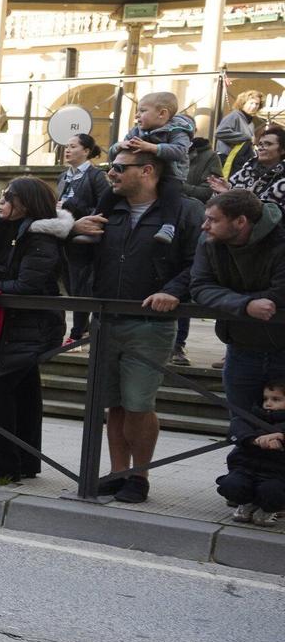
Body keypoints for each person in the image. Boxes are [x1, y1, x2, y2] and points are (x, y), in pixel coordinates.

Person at [50, 148, 198, 503]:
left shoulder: (184, 210)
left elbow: (198, 264)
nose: (111, 174)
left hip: (151, 324)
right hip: (106, 320)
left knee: (138, 404)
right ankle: (119, 473)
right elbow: (80, 262)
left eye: (118, 168)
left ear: (147, 171)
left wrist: (172, 292)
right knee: (112, 404)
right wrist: (74, 232)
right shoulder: (108, 208)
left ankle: (140, 477)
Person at [0, 178, 65, 487]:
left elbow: (25, 286)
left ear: (26, 203)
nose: (2, 202)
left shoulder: (40, 238)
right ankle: (22, 462)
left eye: (9, 198)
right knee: (22, 393)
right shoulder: (12, 230)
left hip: (30, 326)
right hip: (18, 325)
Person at [190, 189, 285, 433]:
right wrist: (245, 305)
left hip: (280, 345)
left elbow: (280, 294)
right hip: (241, 348)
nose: (205, 226)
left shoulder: (280, 238)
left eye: (213, 219)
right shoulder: (209, 242)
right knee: (242, 429)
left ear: (240, 221)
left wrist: (233, 300)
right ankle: (243, 472)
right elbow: (200, 286)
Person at [56, 132, 109, 342]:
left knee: (81, 285)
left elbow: (102, 207)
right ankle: (82, 328)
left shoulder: (96, 176)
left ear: (86, 151)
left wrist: (71, 206)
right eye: (66, 146)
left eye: (73, 146)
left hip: (85, 240)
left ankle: (78, 332)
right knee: (69, 283)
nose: (67, 150)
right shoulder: (63, 176)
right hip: (65, 235)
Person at [216, 376, 285, 526]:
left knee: (272, 491)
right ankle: (246, 503)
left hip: (277, 474)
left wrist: (280, 437)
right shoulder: (252, 415)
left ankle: (268, 509)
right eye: (266, 398)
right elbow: (237, 427)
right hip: (245, 468)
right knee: (231, 485)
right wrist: (254, 440)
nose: (268, 403)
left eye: (276, 399)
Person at [215, 121, 285, 209]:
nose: (261, 148)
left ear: (282, 150)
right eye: (260, 144)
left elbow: (275, 216)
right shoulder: (246, 170)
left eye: (268, 144)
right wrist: (227, 191)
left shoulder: (282, 179)